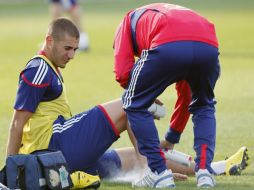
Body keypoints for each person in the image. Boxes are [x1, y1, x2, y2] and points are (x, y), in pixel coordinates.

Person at [5, 17, 249, 189]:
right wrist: (10, 174)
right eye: (67, 48)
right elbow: (17, 124)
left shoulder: (50, 69)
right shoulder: (38, 69)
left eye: (75, 49)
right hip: (53, 149)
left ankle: (216, 167)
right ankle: (152, 173)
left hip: (62, 158)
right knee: (129, 105)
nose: (72, 55)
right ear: (49, 40)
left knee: (140, 154)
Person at [113, 3, 221, 188]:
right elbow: (186, 94)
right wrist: (171, 138)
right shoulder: (156, 13)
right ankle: (204, 172)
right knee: (203, 105)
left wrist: (143, 93)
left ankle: (158, 171)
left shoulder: (125, 23)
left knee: (133, 104)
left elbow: (122, 72)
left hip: (168, 41)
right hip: (208, 44)